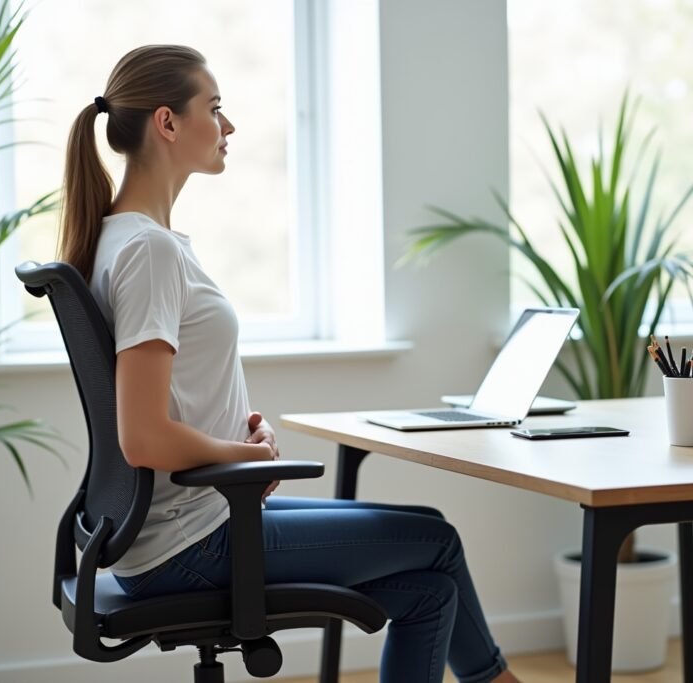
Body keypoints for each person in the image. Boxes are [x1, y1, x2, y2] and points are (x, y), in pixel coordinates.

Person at [58, 44, 521, 683]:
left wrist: (238, 444)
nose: (229, 126)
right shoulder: (149, 252)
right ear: (167, 123)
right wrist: (250, 460)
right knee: (437, 542)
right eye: (215, 109)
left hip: (193, 519)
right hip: (190, 542)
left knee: (429, 584)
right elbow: (142, 437)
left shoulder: (124, 239)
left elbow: (160, 415)